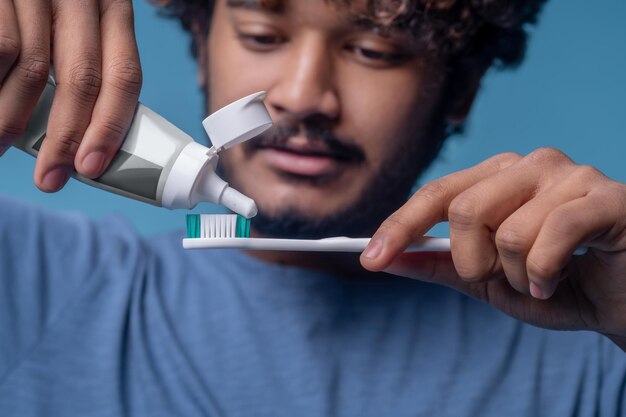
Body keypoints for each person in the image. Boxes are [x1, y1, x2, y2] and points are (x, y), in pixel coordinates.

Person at [0, 0, 625, 415]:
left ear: (460, 89)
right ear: (201, 44)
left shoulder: (593, 339)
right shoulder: (33, 283)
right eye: (262, 35)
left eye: (374, 50)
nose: (301, 96)